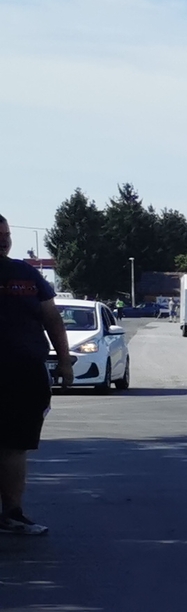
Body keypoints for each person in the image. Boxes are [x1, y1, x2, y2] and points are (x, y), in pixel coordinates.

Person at [0, 214, 74, 538]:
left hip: (22, 373)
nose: (4, 240)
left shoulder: (26, 274)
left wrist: (65, 361)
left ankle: (12, 515)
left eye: (6, 234)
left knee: (15, 445)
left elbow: (52, 319)